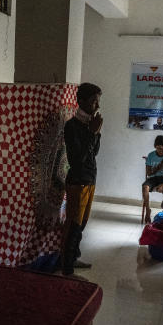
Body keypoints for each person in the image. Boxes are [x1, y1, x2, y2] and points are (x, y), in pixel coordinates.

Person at [61, 82, 103, 277]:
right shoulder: (72, 126)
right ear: (82, 101)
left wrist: (96, 133)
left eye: (98, 102)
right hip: (78, 181)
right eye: (94, 101)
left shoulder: (88, 125)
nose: (97, 106)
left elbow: (93, 153)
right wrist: (91, 133)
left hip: (89, 180)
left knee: (82, 223)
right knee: (74, 225)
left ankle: (73, 257)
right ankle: (67, 269)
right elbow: (77, 160)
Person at [141, 135, 163, 224]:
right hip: (153, 178)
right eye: (158, 148)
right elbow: (149, 173)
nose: (161, 150)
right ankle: (148, 210)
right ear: (155, 146)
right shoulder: (151, 155)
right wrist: (159, 166)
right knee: (145, 187)